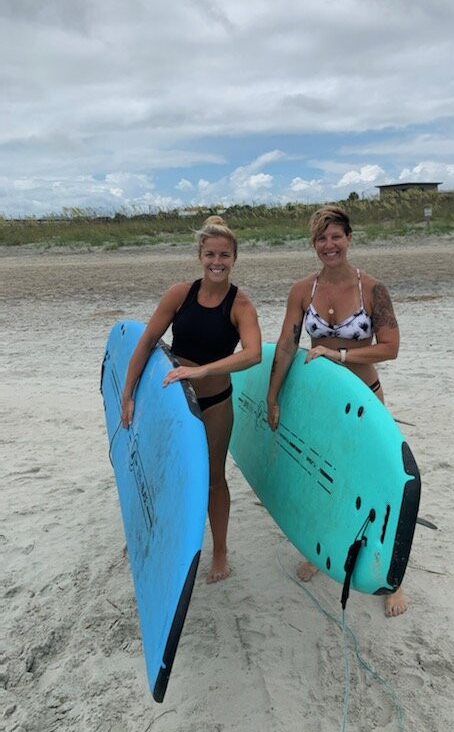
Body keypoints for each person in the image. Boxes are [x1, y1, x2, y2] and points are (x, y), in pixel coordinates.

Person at [266, 205, 407, 618]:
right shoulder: (302, 290)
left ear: (349, 238)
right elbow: (287, 344)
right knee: (323, 478)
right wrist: (273, 396)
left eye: (336, 236)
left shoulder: (373, 290)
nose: (329, 245)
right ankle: (321, 549)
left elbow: (390, 348)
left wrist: (339, 353)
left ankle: (394, 580)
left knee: (378, 482)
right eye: (321, 238)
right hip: (322, 406)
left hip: (365, 401)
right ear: (314, 244)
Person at [121, 216, 261, 583]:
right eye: (210, 254)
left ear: (234, 258)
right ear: (200, 255)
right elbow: (146, 342)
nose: (217, 262)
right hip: (173, 403)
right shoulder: (179, 294)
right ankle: (162, 537)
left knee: (214, 478)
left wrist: (203, 370)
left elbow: (253, 354)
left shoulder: (240, 305)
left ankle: (220, 551)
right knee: (166, 470)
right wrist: (128, 394)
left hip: (215, 403)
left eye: (224, 255)